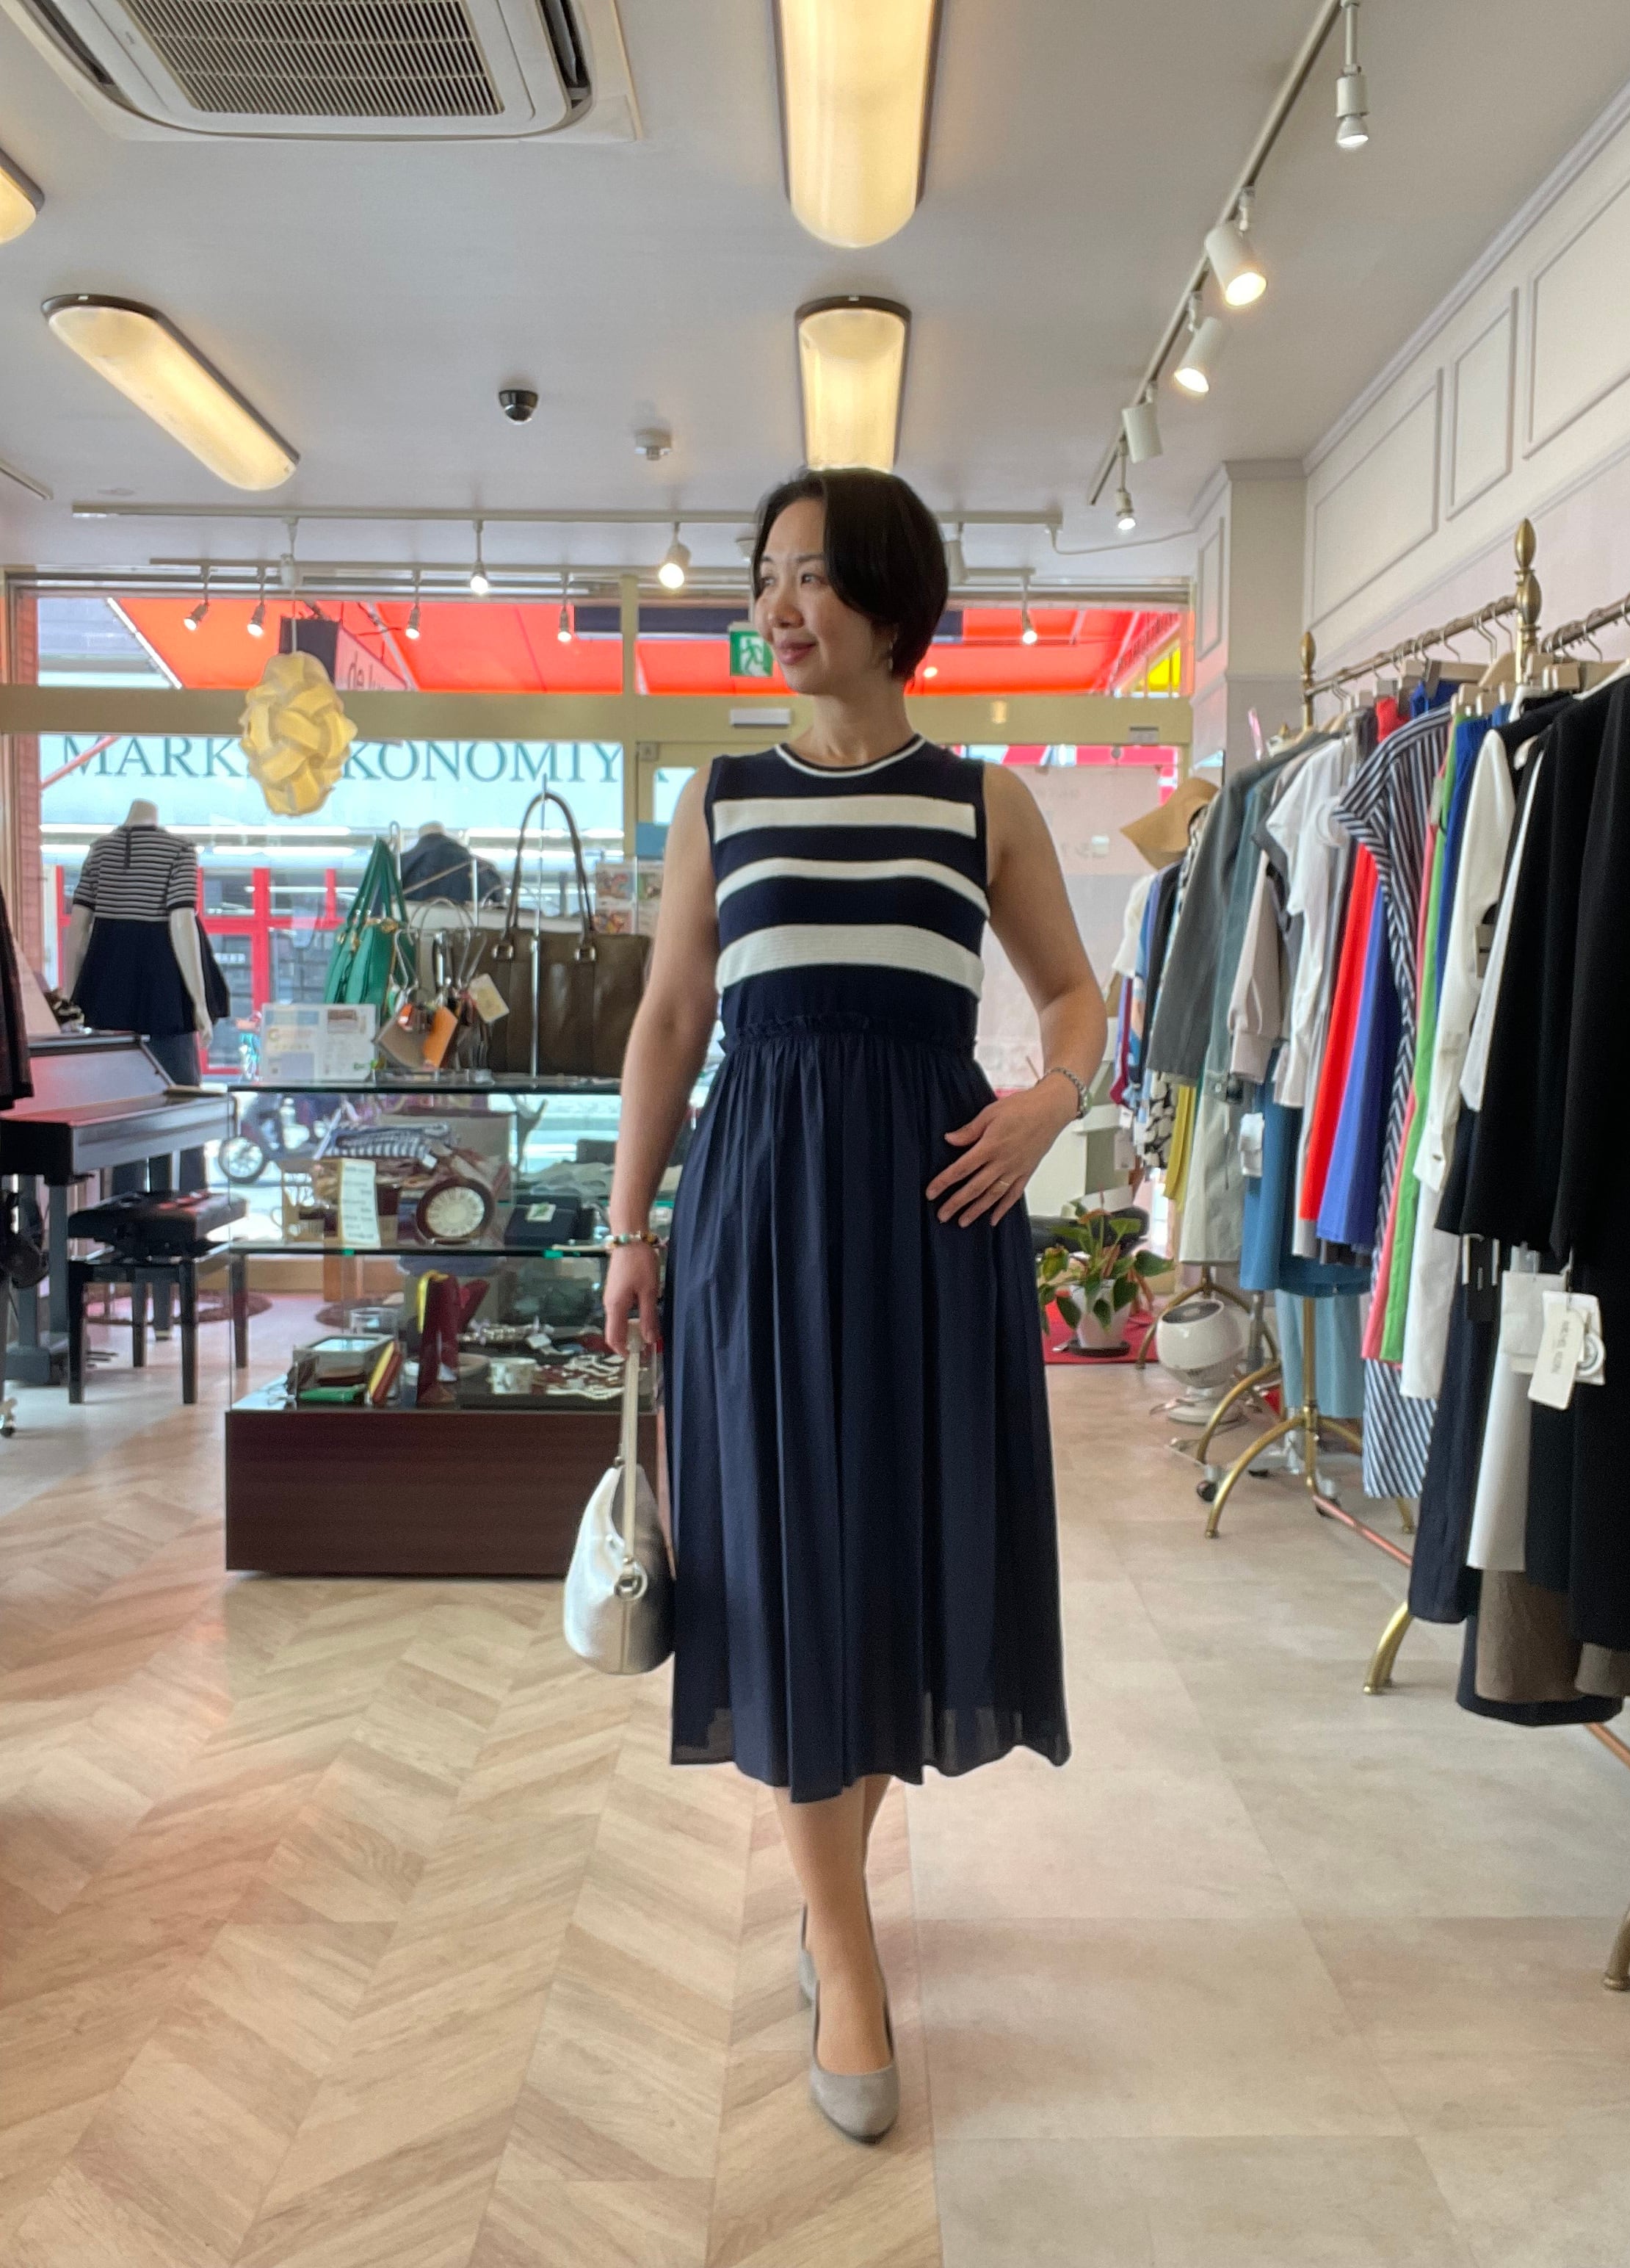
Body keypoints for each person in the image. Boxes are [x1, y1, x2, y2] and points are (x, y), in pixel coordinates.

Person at [603, 468, 1104, 2143]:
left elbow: (1076, 996)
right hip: (757, 1212)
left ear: (893, 597)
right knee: (779, 1557)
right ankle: (844, 1937)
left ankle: (836, 1905)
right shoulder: (722, 796)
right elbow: (671, 1021)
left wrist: (1048, 1105)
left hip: (937, 1213)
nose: (778, 603)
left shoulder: (982, 801)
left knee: (891, 1558)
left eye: (812, 574)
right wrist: (626, 1229)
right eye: (767, 574)